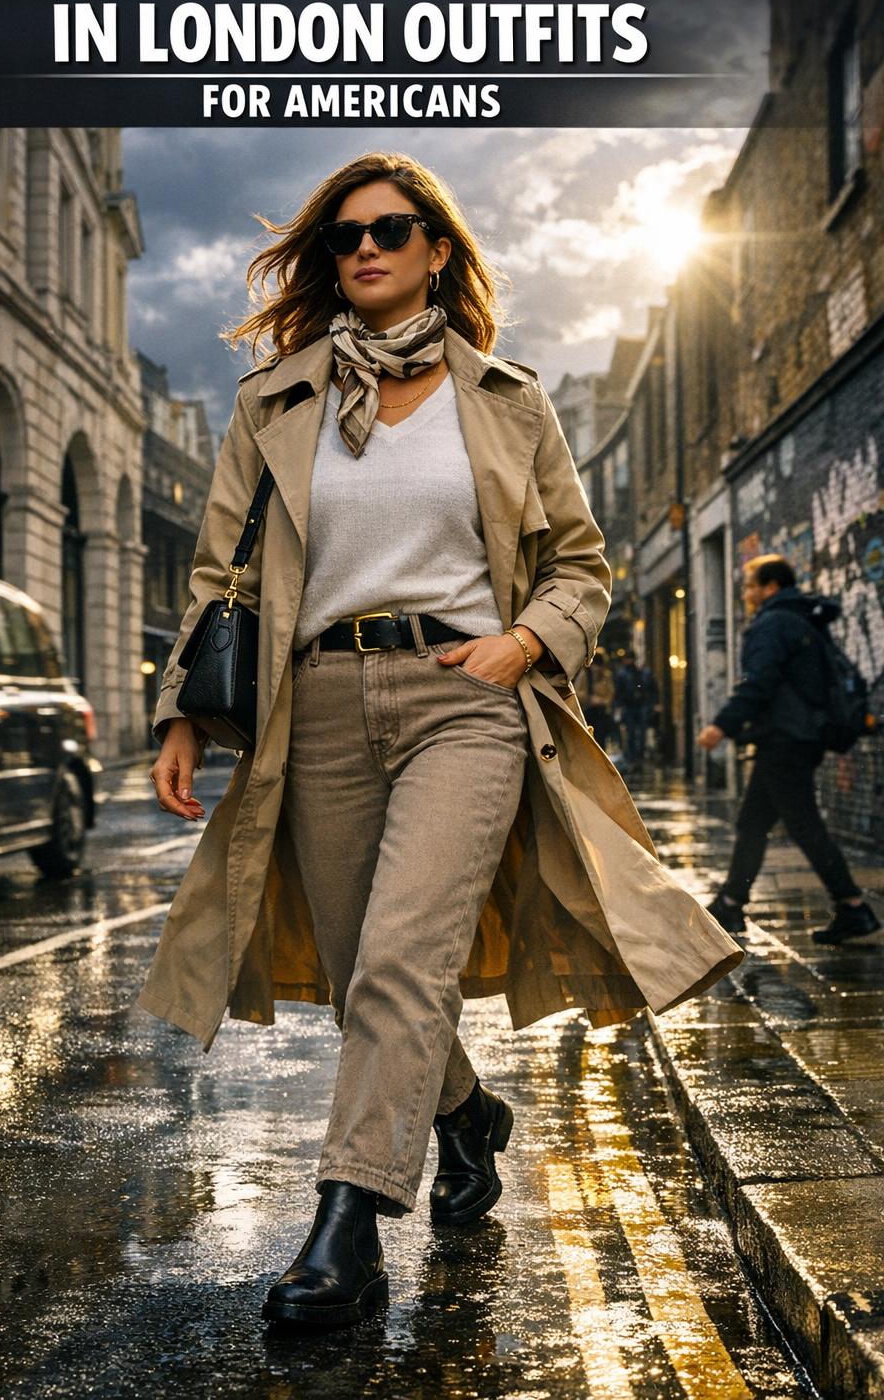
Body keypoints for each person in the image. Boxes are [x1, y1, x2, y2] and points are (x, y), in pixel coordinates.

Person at [140, 152, 743, 1332]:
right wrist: (183, 712)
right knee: (362, 969)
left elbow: (580, 565)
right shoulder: (273, 402)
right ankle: (468, 1118)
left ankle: (347, 1227)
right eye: (343, 236)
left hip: (464, 699)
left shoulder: (508, 399)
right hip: (315, 704)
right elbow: (222, 575)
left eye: (390, 228)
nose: (365, 247)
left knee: (403, 958)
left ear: (435, 251)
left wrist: (523, 643)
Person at [699, 553, 879, 945]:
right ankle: (731, 902)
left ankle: (852, 906)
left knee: (804, 826)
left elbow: (758, 683)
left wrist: (722, 725)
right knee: (753, 823)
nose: (746, 594)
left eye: (750, 586)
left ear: (771, 587)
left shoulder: (773, 623)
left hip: (785, 740)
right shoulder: (801, 619)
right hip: (795, 737)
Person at [614, 650, 658, 769]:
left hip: (639, 705)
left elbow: (651, 689)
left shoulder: (639, 672)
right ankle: (633, 756)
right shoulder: (624, 674)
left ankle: (637, 756)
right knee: (632, 732)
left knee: (640, 732)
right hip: (630, 706)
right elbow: (619, 692)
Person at [575, 646, 617, 750]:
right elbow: (577, 692)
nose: (597, 668)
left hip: (602, 712)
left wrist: (602, 701)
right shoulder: (585, 674)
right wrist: (590, 699)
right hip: (588, 710)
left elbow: (610, 693)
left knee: (601, 739)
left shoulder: (606, 676)